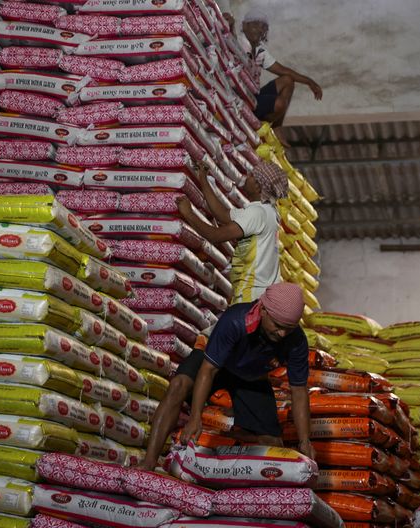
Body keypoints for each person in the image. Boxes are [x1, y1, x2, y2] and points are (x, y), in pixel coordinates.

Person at [139, 282, 315, 470]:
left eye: (289, 329)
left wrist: (305, 441)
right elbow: (209, 369)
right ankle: (149, 462)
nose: (282, 334)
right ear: (263, 310)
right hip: (213, 362)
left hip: (250, 375)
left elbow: (299, 392)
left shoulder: (296, 341)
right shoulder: (235, 320)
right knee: (178, 385)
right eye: (278, 326)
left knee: (272, 441)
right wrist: (195, 417)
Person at [177, 160, 289, 304]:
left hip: (253, 296)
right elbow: (222, 215)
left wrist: (188, 214)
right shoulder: (265, 211)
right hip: (258, 295)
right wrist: (203, 180)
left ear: (258, 186)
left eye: (252, 176)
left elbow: (216, 236)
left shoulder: (258, 213)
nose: (247, 176)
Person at [239, 9, 323, 141]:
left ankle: (276, 127)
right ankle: (260, 125)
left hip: (253, 98)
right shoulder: (237, 44)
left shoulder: (259, 52)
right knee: (279, 104)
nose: (260, 30)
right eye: (255, 25)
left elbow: (284, 71)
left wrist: (310, 82)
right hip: (241, 102)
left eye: (263, 28)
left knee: (288, 80)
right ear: (244, 26)